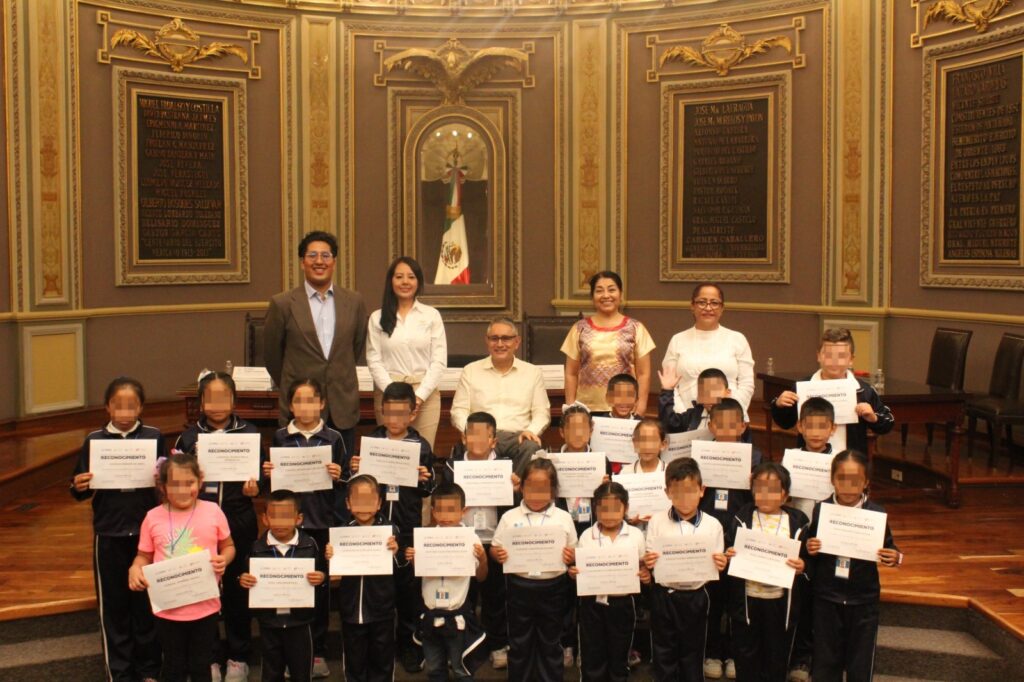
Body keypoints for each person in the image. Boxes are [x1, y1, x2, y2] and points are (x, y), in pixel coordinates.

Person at [70, 376, 163, 682]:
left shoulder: (154, 436)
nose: (124, 412)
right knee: (114, 607)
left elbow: (163, 483)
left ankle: (149, 671)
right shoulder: (93, 440)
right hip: (108, 533)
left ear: (141, 407)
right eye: (118, 405)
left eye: (131, 405)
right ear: (107, 406)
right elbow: (80, 488)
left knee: (146, 605)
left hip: (147, 535)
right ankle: (119, 674)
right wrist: (79, 485)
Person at [174, 371, 260, 682]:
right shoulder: (188, 438)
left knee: (238, 589)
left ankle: (238, 656)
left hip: (239, 519)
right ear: (200, 403)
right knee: (203, 590)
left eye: (224, 397)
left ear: (234, 400)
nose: (218, 404)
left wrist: (255, 490)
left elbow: (262, 480)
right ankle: (207, 658)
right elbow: (174, 479)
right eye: (211, 398)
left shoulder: (250, 432)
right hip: (199, 523)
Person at [348, 380, 435, 672]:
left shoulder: (420, 445)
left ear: (412, 414)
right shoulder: (371, 441)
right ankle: (378, 646)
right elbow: (359, 487)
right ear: (381, 412)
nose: (394, 419)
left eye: (401, 413)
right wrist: (354, 471)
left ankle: (409, 645)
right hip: (374, 530)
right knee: (379, 590)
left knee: (408, 591)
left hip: (407, 527)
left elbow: (427, 491)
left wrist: (426, 479)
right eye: (389, 413)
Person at [262, 378, 345, 678]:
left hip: (321, 523)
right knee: (288, 586)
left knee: (318, 588)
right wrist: (269, 473)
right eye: (299, 400)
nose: (305, 406)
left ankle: (318, 650)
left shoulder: (334, 437)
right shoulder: (281, 436)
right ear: (290, 405)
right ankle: (286, 650)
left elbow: (346, 481)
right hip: (289, 525)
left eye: (312, 400)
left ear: (322, 403)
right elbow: (275, 487)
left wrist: (340, 474)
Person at [128, 454, 235, 682]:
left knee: (201, 665)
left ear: (201, 481)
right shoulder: (152, 517)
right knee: (173, 665)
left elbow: (229, 546)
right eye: (174, 484)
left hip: (205, 606)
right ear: (163, 487)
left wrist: (224, 559)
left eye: (189, 483)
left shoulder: (213, 511)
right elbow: (143, 556)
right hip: (167, 609)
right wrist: (135, 569)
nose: (183, 490)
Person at [263, 230, 369, 457]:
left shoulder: (354, 301)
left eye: (325, 255)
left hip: (342, 406)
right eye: (312, 255)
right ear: (302, 262)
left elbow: (355, 347)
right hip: (301, 408)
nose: (319, 261)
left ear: (334, 262)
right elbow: (272, 356)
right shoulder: (282, 304)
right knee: (299, 482)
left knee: (340, 479)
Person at [805, 450, 903, 682]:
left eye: (856, 481)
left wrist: (895, 557)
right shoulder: (821, 510)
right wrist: (809, 547)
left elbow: (890, 547)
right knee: (826, 660)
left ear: (866, 482)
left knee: (861, 661)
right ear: (832, 479)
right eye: (842, 479)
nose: (848, 487)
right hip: (827, 597)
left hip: (863, 599)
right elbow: (809, 550)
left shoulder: (877, 514)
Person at [432, 411, 518, 669]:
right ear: (464, 436)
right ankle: (460, 645)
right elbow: (443, 499)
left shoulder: (506, 466)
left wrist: (516, 488)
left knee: (495, 595)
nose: (477, 440)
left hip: (494, 541)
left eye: (484, 436)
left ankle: (498, 644)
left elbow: (514, 507)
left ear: (493, 440)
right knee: (463, 597)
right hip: (462, 539)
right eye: (472, 434)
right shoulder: (451, 466)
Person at [491, 458, 577, 682]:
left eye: (543, 488)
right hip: (520, 586)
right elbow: (495, 548)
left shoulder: (564, 518)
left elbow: (575, 551)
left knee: (550, 640)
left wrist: (572, 556)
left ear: (553, 490)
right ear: (521, 488)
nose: (536, 493)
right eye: (531, 486)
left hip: (554, 587)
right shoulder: (509, 518)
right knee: (520, 641)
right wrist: (497, 554)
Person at [643, 457, 728, 682]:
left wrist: (721, 564)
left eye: (691, 490)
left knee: (693, 651)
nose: (684, 497)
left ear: (702, 490)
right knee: (663, 651)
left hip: (697, 595)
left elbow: (715, 564)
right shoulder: (656, 522)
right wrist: (649, 561)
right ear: (667, 492)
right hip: (665, 595)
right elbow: (651, 557)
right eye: (677, 491)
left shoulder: (713, 525)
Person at [724, 463, 809, 682]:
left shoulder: (798, 522)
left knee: (776, 656)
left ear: (785, 495)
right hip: (748, 601)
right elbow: (726, 553)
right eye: (759, 488)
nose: (765, 494)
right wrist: (729, 554)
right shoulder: (741, 518)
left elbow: (809, 562)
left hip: (780, 601)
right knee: (746, 654)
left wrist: (802, 566)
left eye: (772, 489)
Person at [700, 397, 763, 680]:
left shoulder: (755, 458)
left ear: (743, 426)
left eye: (732, 424)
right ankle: (713, 652)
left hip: (741, 540)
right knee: (712, 601)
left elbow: (763, 499)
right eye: (719, 424)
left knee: (738, 603)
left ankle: (736, 654)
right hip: (709, 538)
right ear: (711, 425)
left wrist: (754, 481)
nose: (726, 429)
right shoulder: (700, 455)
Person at [238, 489, 327, 682]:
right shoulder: (256, 548)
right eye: (274, 517)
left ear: (298, 518)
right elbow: (247, 579)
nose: (279, 523)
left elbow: (322, 576)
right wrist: (242, 580)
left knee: (302, 673)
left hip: (301, 623)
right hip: (269, 623)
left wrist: (321, 578)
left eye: (286, 517)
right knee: (271, 673)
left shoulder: (310, 545)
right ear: (265, 519)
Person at [406, 483, 489, 682]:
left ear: (463, 511)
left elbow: (481, 577)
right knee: (434, 669)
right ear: (433, 511)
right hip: (431, 613)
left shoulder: (471, 539)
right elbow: (418, 574)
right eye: (440, 510)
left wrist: (483, 558)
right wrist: (413, 559)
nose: (445, 515)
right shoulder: (424, 537)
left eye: (452, 510)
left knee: (462, 670)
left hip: (457, 614)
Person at [570, 481, 650, 682]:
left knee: (619, 655)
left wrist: (645, 574)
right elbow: (581, 569)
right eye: (603, 509)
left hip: (623, 603)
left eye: (616, 508)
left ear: (626, 508)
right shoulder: (587, 535)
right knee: (592, 655)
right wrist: (574, 573)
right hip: (592, 604)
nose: (609, 514)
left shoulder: (636, 535)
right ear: (595, 509)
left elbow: (642, 566)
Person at [450, 317, 551, 474]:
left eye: (506, 338)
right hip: (482, 434)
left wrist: (531, 431)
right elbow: (459, 410)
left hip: (518, 437)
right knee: (475, 445)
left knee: (531, 447)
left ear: (517, 342)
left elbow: (541, 412)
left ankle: (516, 493)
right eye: (494, 338)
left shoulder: (532, 373)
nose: (499, 344)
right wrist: (472, 432)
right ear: (487, 341)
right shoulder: (470, 371)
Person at [769, 328, 894, 454]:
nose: (834, 361)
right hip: (812, 462)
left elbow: (888, 423)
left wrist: (873, 418)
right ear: (818, 356)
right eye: (828, 355)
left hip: (849, 462)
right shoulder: (802, 387)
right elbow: (785, 423)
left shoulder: (863, 391)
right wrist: (779, 405)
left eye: (841, 356)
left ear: (851, 359)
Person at [367, 256, 448, 449]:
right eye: (399, 277)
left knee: (423, 454)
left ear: (418, 281)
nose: (405, 282)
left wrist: (417, 397)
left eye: (411, 277)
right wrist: (393, 398)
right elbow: (373, 359)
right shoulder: (377, 317)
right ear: (391, 281)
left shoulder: (431, 315)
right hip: (388, 395)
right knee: (391, 456)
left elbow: (438, 361)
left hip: (425, 396)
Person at [785, 397, 838, 682]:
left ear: (833, 428)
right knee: (801, 602)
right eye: (810, 426)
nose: (816, 432)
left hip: (830, 541)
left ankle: (818, 659)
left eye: (822, 427)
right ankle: (798, 657)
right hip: (798, 538)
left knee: (823, 600)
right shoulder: (791, 460)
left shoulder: (841, 462)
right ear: (800, 427)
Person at [333, 475, 402, 682]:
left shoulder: (391, 531)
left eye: (369, 501)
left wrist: (395, 552)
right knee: (354, 660)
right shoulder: (341, 533)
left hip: (382, 608)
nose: (363, 507)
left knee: (382, 658)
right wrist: (331, 558)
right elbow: (335, 576)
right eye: (357, 501)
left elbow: (402, 571)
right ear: (347, 503)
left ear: (380, 503)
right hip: (351, 608)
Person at [561, 271, 655, 415]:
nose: (606, 295)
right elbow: (571, 373)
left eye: (611, 289)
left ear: (621, 294)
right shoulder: (579, 328)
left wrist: (641, 405)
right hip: (586, 408)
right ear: (592, 296)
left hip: (624, 408)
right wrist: (570, 406)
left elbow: (643, 373)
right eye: (599, 291)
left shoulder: (636, 328)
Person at [661, 283, 755, 420]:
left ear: (722, 308)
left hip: (730, 421)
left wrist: (731, 412)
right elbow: (670, 383)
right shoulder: (677, 340)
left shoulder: (737, 339)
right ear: (692, 306)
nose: (708, 308)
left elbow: (746, 384)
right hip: (686, 419)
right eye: (702, 302)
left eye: (714, 303)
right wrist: (684, 415)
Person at [659, 366, 731, 434]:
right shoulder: (692, 416)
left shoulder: (735, 417)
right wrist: (667, 391)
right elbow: (669, 424)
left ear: (727, 393)